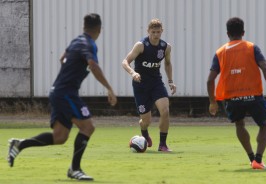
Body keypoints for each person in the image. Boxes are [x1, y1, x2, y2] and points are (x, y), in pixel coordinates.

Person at [8, 13, 117, 180]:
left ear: (83, 27)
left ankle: (20, 144)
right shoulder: (89, 44)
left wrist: (71, 73)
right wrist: (109, 88)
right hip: (66, 93)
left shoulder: (76, 40)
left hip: (58, 91)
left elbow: (62, 58)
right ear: (99, 30)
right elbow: (93, 66)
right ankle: (75, 169)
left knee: (60, 137)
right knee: (88, 127)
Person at [207, 17, 266, 169]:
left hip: (232, 99)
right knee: (264, 125)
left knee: (239, 125)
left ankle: (251, 158)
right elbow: (265, 68)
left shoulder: (220, 52)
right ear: (243, 32)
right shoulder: (252, 47)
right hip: (254, 96)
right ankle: (258, 161)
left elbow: (210, 80)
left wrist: (213, 102)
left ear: (228, 33)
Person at [122, 18, 176, 152]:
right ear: (148, 31)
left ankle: (162, 144)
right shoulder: (141, 45)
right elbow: (125, 62)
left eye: (158, 32)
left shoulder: (165, 47)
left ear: (162, 31)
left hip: (156, 83)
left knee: (165, 111)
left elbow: (167, 64)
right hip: (141, 86)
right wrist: (133, 73)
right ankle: (144, 132)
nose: (156, 35)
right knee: (146, 121)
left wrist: (170, 81)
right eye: (153, 32)